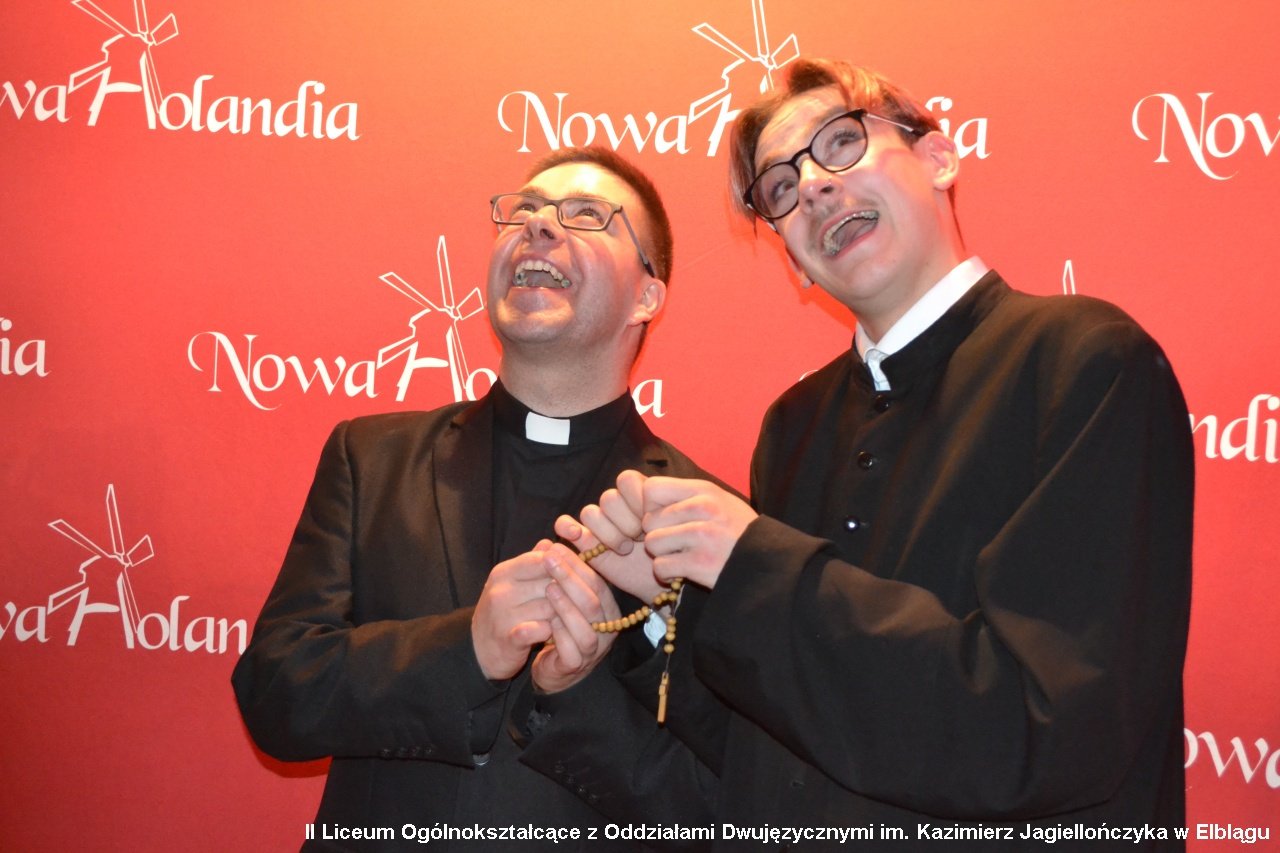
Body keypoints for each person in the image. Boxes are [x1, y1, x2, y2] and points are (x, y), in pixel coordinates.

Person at [558, 59, 1194, 849]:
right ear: (793, 260)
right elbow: (773, 751)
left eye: (841, 142)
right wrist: (668, 609)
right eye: (780, 188)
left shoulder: (1085, 362)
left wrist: (753, 565)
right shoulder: (792, 428)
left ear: (939, 157)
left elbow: (1047, 724)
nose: (814, 187)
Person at [232, 146, 716, 852]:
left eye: (587, 215)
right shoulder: (371, 458)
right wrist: (467, 650)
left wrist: (575, 691)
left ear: (647, 296)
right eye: (524, 210)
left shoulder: (705, 523)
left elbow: (711, 805)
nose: (538, 226)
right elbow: (276, 696)